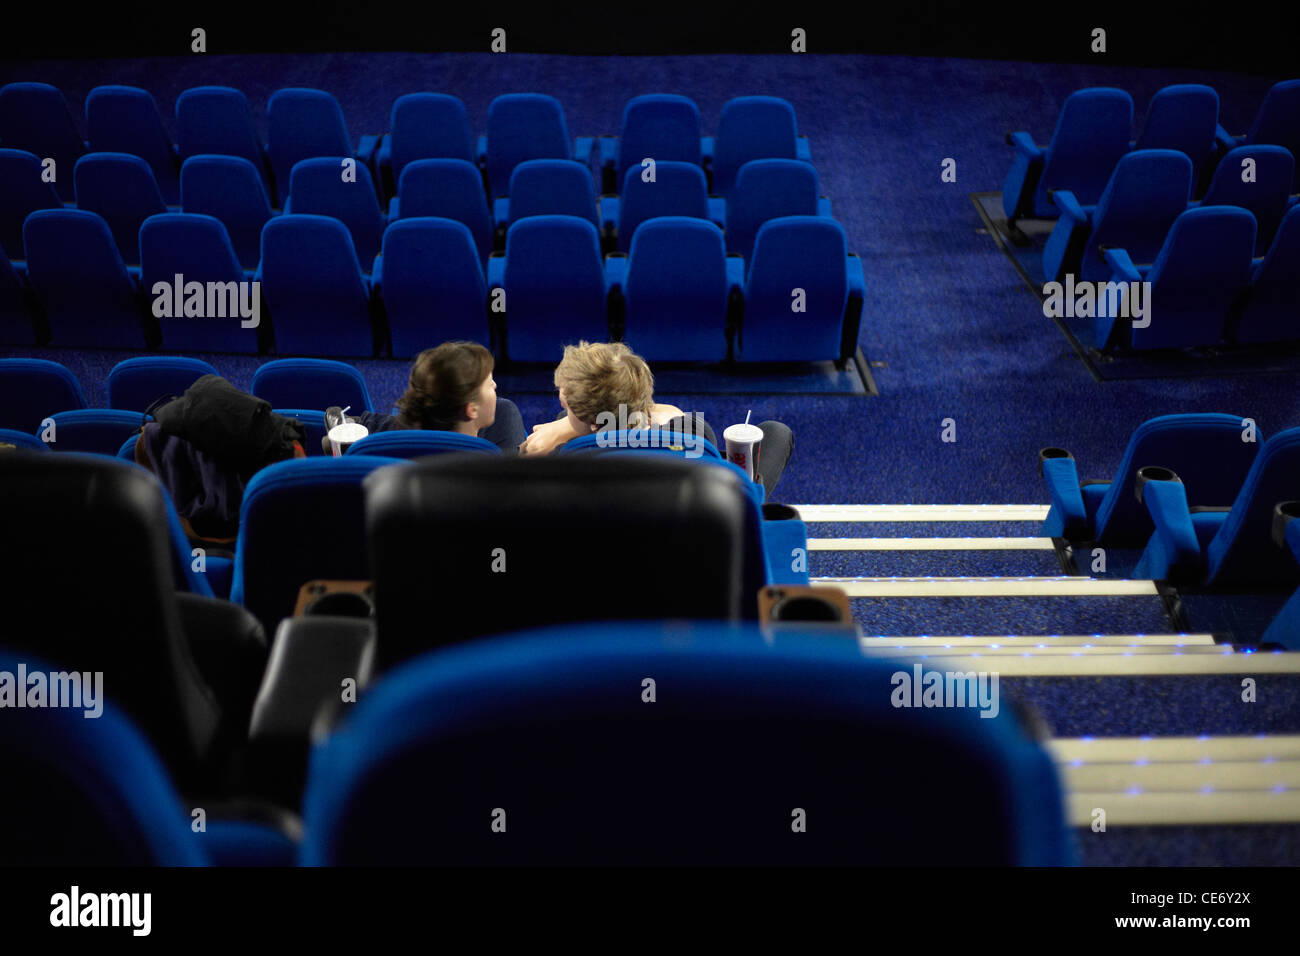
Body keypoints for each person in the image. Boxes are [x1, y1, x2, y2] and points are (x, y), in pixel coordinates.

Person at [519, 341, 794, 495]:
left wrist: (564, 427)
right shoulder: (692, 436)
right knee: (775, 432)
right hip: (701, 520)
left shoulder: (558, 455)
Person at [337, 341, 527, 453]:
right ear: (472, 409)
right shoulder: (490, 458)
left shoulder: (387, 447)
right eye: (489, 383)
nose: (495, 385)